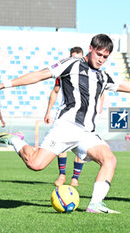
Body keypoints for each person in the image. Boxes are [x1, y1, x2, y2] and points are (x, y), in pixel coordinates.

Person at [0, 34, 130, 214]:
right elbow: (40, 74)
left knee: (110, 160)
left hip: (86, 132)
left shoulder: (103, 77)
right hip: (65, 127)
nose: (101, 59)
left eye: (105, 57)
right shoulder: (71, 64)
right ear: (90, 48)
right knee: (35, 164)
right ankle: (16, 140)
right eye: (99, 54)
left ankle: (95, 204)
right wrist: (5, 84)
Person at [44, 47, 85, 187]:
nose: (75, 61)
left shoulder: (89, 73)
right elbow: (55, 92)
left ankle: (75, 177)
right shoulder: (64, 72)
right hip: (66, 113)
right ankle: (62, 174)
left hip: (84, 115)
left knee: (81, 145)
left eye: (78, 58)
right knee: (62, 145)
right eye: (73, 58)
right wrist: (48, 111)